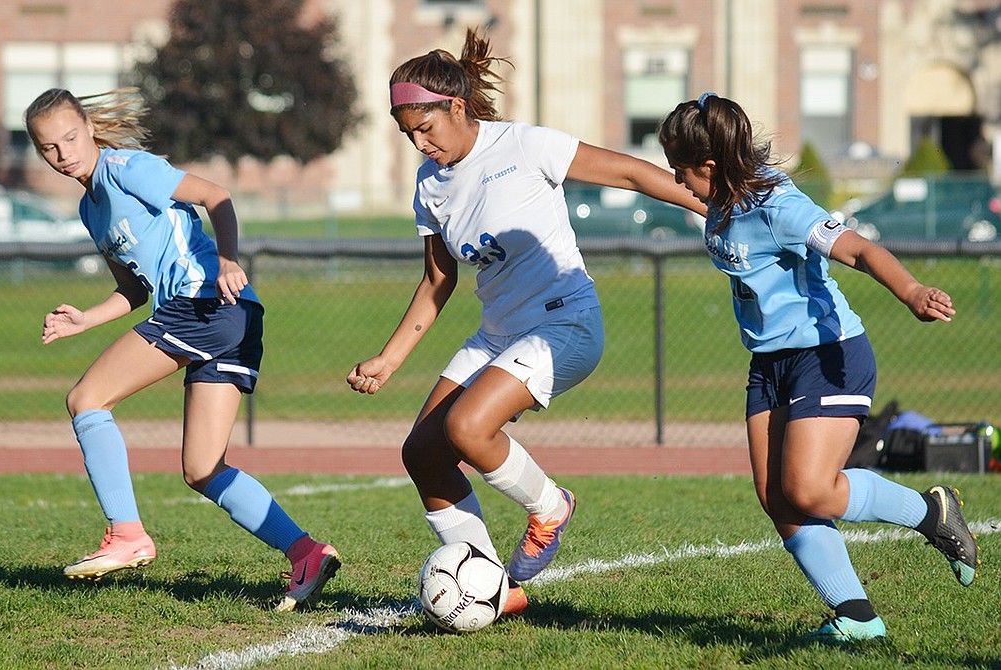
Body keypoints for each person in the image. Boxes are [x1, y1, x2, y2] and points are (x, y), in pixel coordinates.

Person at [346, 29, 705, 616]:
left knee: (467, 429)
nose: (418, 143)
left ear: (456, 107)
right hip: (498, 334)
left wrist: (713, 207)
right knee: (423, 454)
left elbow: (633, 175)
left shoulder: (525, 146)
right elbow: (439, 281)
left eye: (425, 127)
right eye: (406, 132)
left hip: (565, 324)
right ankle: (491, 587)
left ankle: (550, 506)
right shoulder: (429, 184)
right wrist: (388, 359)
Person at [656, 92, 979, 641]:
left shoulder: (779, 205)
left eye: (682, 171)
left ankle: (931, 511)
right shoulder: (719, 200)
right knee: (776, 497)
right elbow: (649, 181)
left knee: (809, 490)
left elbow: (857, 250)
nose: (679, 183)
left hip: (827, 355)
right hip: (768, 362)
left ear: (710, 166)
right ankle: (857, 619)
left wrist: (913, 291)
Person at [25, 88, 340, 612]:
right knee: (202, 468)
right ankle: (306, 552)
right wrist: (86, 318)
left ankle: (127, 534)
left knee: (86, 399)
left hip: (209, 304)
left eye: (71, 138)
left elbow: (216, 194)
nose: (63, 153)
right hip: (229, 316)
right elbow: (133, 291)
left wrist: (228, 258)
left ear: (87, 127)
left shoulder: (126, 169)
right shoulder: (90, 208)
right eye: (49, 148)